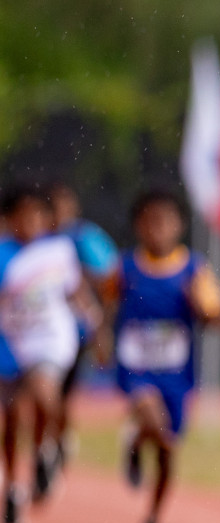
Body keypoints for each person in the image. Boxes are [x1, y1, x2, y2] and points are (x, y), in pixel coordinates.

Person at [111, 190, 220, 523]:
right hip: (136, 366)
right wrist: (98, 338)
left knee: (166, 452)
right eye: (149, 222)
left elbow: (214, 317)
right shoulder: (125, 267)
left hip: (176, 373)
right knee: (154, 422)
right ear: (138, 227)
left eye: (165, 221)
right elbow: (105, 301)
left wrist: (203, 306)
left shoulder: (194, 269)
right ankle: (137, 435)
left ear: (179, 225)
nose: (157, 230)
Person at [0, 184, 98, 523]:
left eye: (36, 215)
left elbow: (76, 291)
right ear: (9, 220)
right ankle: (13, 486)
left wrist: (96, 325)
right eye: (21, 216)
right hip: (11, 342)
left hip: (49, 339)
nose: (29, 223)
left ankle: (45, 450)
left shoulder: (58, 252)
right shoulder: (3, 255)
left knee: (45, 395)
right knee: (11, 419)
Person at [46, 181, 119, 475]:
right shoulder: (35, 238)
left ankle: (58, 436)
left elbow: (110, 276)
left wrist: (102, 323)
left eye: (63, 206)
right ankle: (50, 439)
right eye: (52, 206)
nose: (58, 213)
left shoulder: (84, 237)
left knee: (62, 392)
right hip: (41, 331)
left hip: (75, 330)